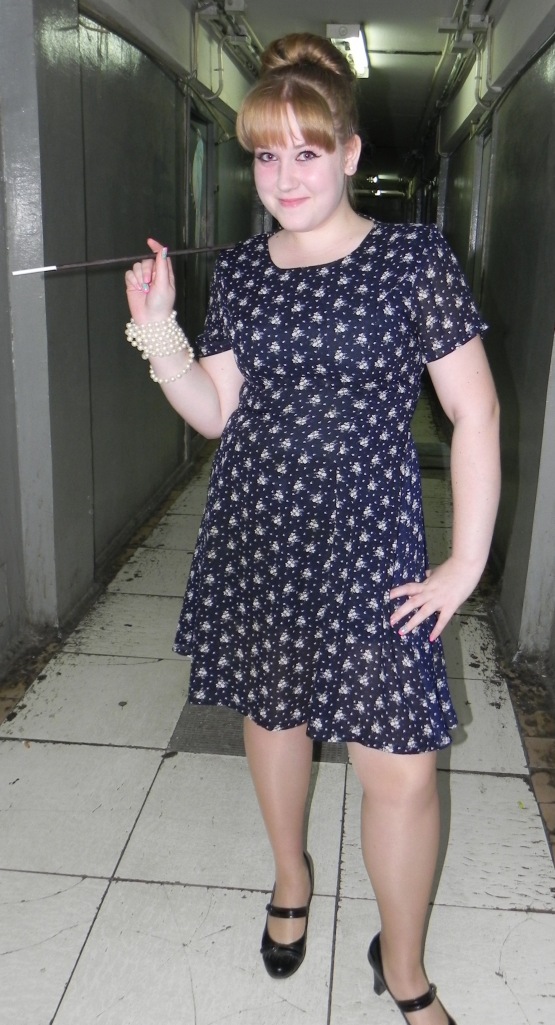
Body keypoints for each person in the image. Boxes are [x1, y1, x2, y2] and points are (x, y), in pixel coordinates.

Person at [124, 32, 500, 1025]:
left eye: (305, 151)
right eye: (264, 154)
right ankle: (290, 876)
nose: (284, 176)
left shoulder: (412, 259)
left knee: (402, 769)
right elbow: (216, 410)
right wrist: (160, 330)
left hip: (372, 540)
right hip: (260, 529)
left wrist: (465, 558)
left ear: (348, 152)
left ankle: (404, 967)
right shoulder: (243, 272)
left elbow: (473, 411)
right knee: (276, 717)